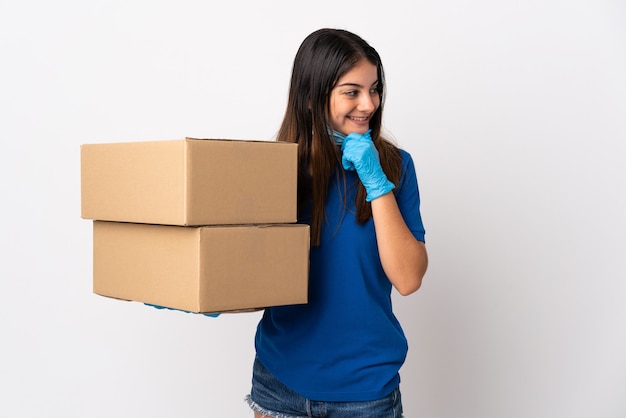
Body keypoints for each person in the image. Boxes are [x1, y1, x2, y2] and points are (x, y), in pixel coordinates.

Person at [246, 28, 428, 418]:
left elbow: (409, 278)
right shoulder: (274, 171)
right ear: (312, 98)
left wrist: (375, 180)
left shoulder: (397, 167)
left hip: (366, 392)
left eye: (375, 89)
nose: (369, 104)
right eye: (352, 91)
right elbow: (256, 278)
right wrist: (198, 293)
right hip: (279, 382)